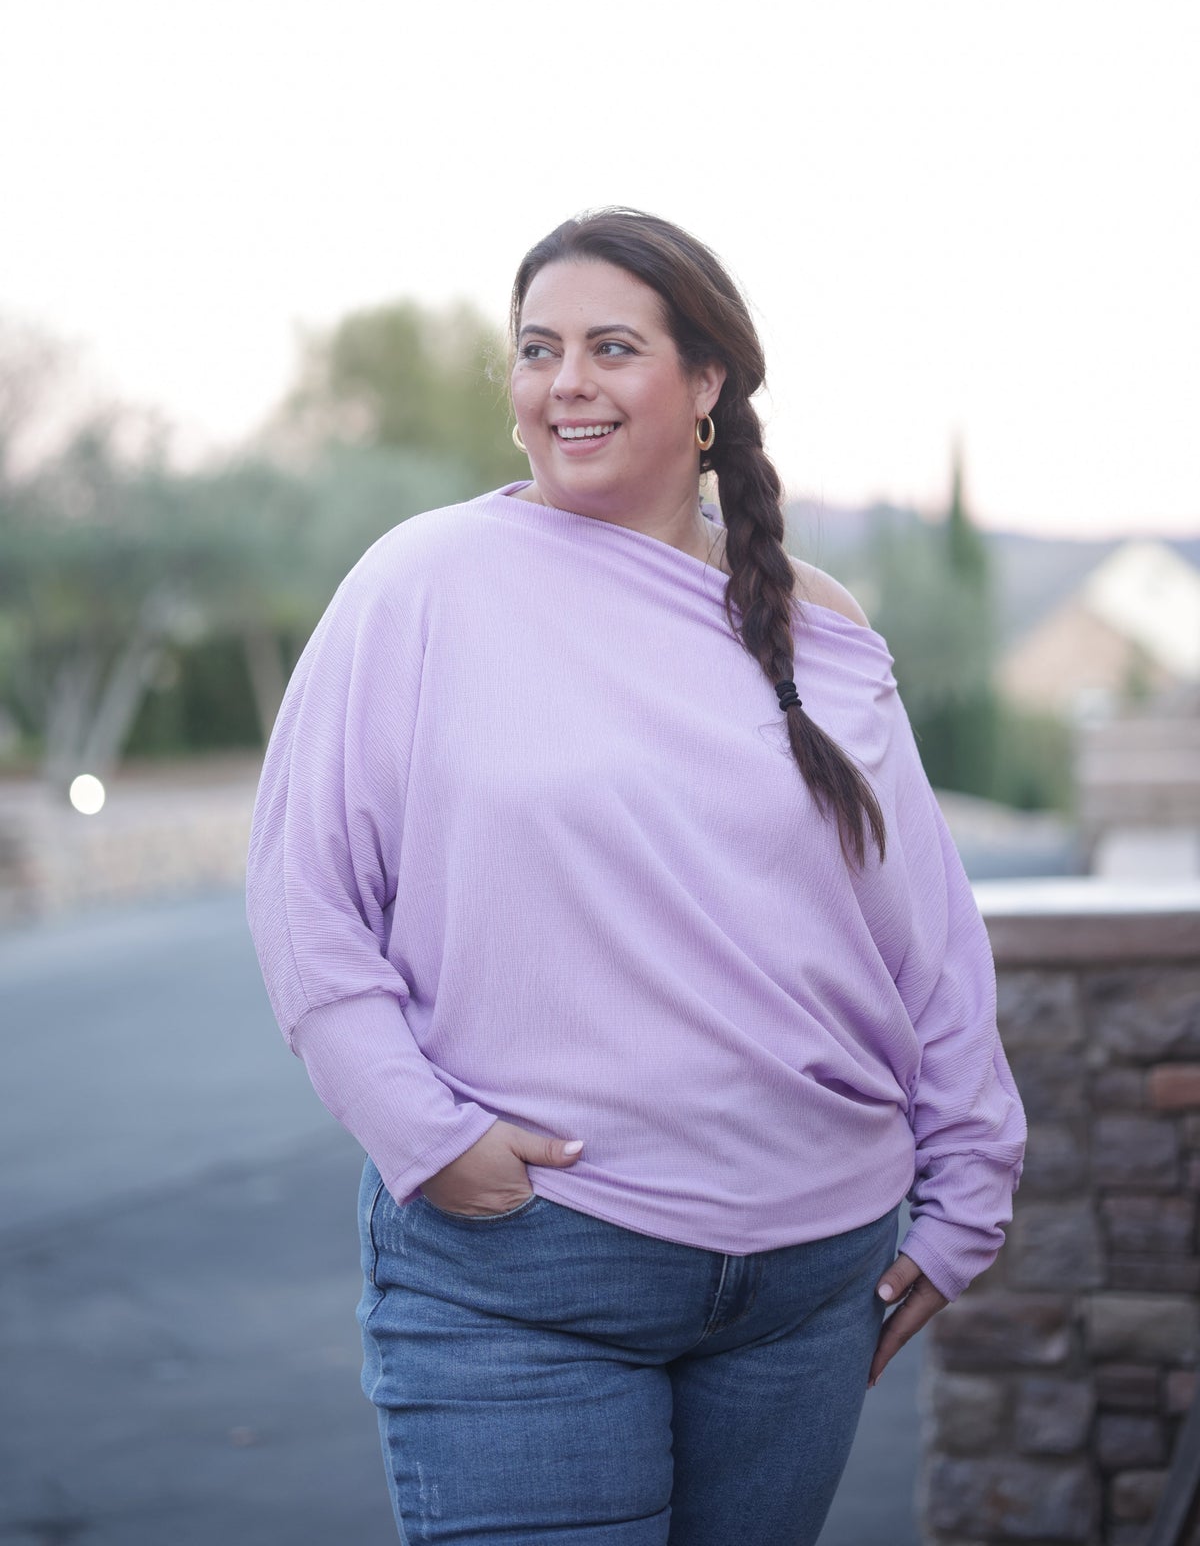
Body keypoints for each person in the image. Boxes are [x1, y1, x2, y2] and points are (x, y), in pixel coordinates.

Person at [246, 207, 1026, 1546]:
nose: (567, 383)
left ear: (707, 381)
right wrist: (427, 1137)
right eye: (538, 349)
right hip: (527, 1272)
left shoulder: (813, 624)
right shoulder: (424, 587)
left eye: (613, 347)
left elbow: (924, 935)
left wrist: (973, 1184)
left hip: (807, 1280)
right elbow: (305, 895)